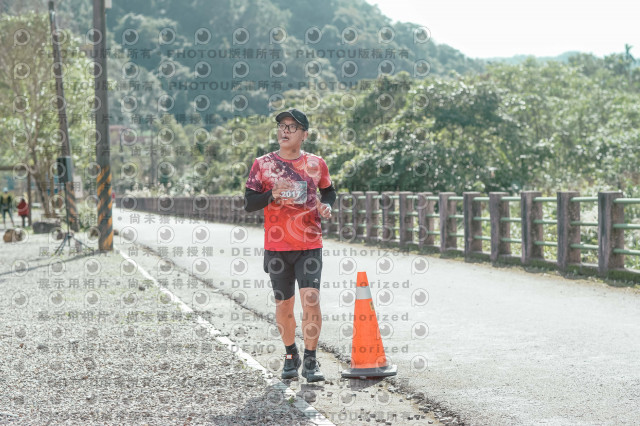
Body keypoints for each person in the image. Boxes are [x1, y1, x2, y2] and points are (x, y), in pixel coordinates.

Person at [244, 108, 336, 382]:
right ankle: (290, 354)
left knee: (311, 300)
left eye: (292, 127)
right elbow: (249, 203)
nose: (285, 130)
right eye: (282, 126)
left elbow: (329, 191)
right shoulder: (262, 164)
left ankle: (311, 360)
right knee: (284, 306)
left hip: (310, 243)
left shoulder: (316, 163)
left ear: (304, 135)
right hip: (277, 247)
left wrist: (327, 206)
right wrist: (271, 195)